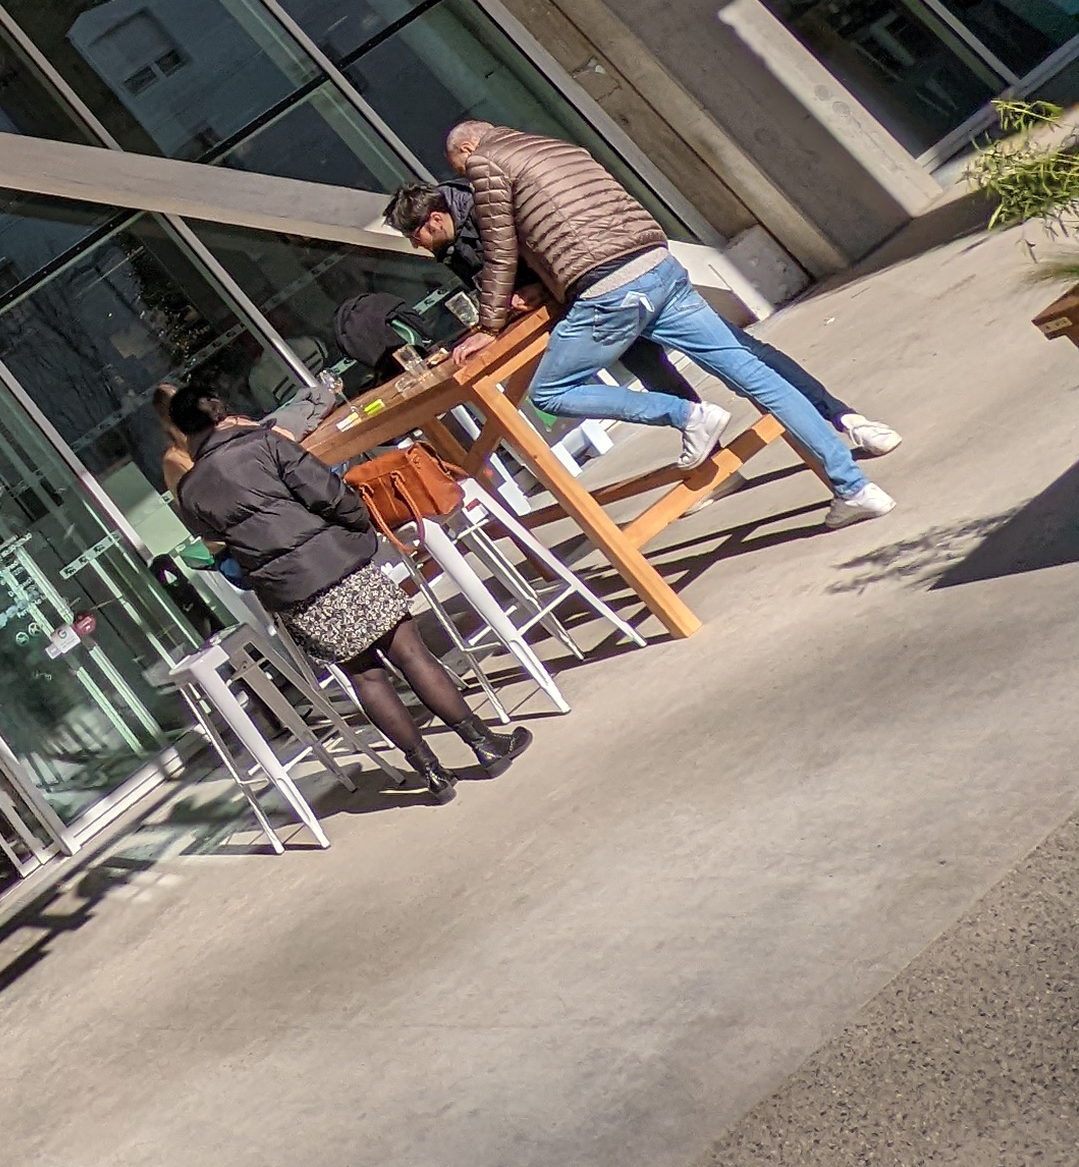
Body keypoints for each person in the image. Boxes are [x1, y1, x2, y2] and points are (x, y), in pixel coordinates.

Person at [445, 123, 895, 527]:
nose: (467, 177)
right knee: (757, 376)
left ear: (468, 147)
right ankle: (855, 488)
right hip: (657, 265)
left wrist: (488, 326)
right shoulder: (556, 145)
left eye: (460, 168)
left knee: (549, 392)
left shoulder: (487, 161)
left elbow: (501, 250)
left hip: (607, 287)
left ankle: (688, 415)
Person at [170, 377, 524, 801]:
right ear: (220, 410)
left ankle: (431, 774)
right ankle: (484, 744)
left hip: (291, 593)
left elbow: (220, 543)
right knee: (410, 654)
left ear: (185, 432)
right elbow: (328, 493)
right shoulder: (264, 443)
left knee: (365, 677)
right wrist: (357, 526)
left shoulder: (189, 491)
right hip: (337, 564)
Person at [383, 179, 897, 456]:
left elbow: (548, 244)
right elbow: (496, 281)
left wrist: (537, 286)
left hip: (608, 286)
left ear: (434, 218)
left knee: (741, 355)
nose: (415, 246)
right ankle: (715, 458)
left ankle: (843, 418)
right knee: (656, 372)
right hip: (588, 304)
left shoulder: (488, 207)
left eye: (414, 235)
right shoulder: (451, 243)